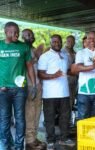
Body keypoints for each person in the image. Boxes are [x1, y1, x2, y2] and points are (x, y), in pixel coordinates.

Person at [0, 22, 36, 150]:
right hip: (3, 90)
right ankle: (5, 145)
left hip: (20, 89)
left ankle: (19, 146)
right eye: (13, 32)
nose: (16, 34)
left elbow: (30, 67)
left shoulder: (24, 47)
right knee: (4, 119)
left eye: (17, 32)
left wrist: (34, 85)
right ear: (6, 32)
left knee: (20, 118)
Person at [38, 34, 75, 150]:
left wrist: (79, 70)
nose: (57, 43)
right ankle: (50, 141)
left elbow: (68, 70)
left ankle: (64, 138)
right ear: (50, 43)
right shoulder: (45, 56)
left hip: (64, 92)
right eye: (54, 42)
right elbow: (40, 73)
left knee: (65, 117)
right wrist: (54, 75)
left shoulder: (65, 55)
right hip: (50, 94)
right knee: (49, 118)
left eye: (59, 41)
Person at [22, 29, 46, 150]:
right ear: (23, 37)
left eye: (31, 34)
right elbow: (24, 66)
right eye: (27, 35)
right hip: (29, 85)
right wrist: (36, 56)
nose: (30, 36)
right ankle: (29, 140)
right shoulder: (22, 49)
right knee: (30, 113)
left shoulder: (34, 49)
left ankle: (34, 137)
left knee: (37, 113)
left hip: (38, 85)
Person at [72, 31, 95, 120]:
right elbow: (78, 67)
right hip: (84, 92)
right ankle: (83, 134)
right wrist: (93, 66)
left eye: (94, 38)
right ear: (86, 40)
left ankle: (94, 134)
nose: (92, 40)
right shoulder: (81, 52)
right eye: (90, 38)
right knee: (83, 118)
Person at [62, 35, 78, 126]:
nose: (70, 43)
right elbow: (65, 69)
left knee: (71, 102)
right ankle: (65, 123)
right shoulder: (63, 52)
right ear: (66, 41)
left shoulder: (75, 52)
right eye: (68, 41)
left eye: (72, 41)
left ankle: (68, 122)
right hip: (66, 81)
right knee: (66, 102)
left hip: (74, 81)